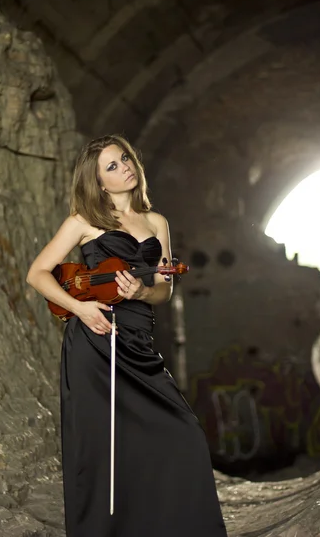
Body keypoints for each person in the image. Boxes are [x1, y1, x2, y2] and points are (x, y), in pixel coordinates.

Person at [26, 135, 227, 537]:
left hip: (139, 341)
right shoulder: (83, 221)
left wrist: (142, 291)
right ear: (99, 182)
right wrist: (81, 308)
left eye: (125, 158)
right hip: (95, 343)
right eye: (112, 166)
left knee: (182, 434)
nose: (125, 168)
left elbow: (164, 289)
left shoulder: (157, 223)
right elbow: (37, 273)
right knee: (102, 451)